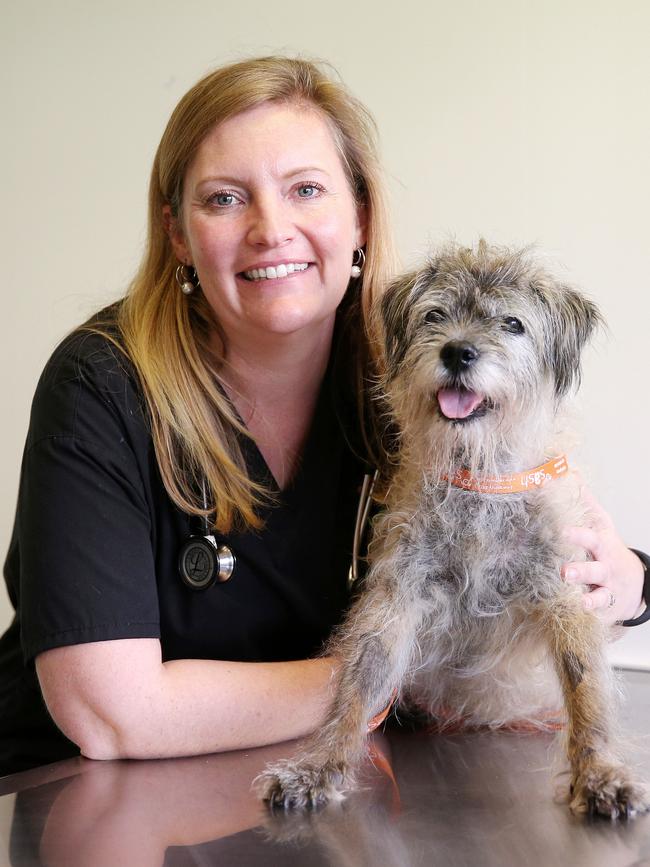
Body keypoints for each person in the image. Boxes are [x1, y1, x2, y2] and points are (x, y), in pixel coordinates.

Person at [0, 56, 647, 778]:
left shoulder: (415, 377)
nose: (270, 229)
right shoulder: (101, 386)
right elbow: (108, 713)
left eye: (305, 189)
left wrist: (628, 582)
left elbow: (515, 563)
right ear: (178, 233)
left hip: (306, 786)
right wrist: (384, 671)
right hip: (64, 797)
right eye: (223, 199)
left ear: (362, 215)